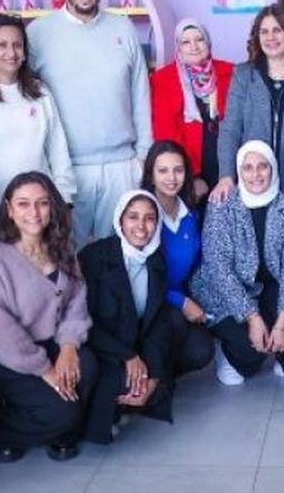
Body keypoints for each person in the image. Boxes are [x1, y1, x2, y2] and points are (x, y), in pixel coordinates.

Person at [28, 0, 151, 249]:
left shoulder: (123, 28)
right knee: (69, 255)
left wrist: (143, 157)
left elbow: (140, 94)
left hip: (121, 165)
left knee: (119, 254)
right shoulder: (38, 33)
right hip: (66, 168)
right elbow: (28, 102)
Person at [0, 172, 97, 461]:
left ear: (52, 207)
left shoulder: (61, 245)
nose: (34, 212)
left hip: (50, 341)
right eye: (23, 203)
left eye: (42, 203)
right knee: (62, 411)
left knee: (87, 367)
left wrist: (68, 347)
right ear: (9, 209)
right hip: (5, 353)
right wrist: (46, 370)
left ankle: (61, 430)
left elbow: (76, 301)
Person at [191, 140, 284, 387]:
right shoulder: (222, 204)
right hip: (224, 290)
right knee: (249, 352)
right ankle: (226, 352)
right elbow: (219, 268)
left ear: (273, 168)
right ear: (239, 171)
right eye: (247, 168)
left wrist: (283, 324)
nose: (256, 174)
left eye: (263, 166)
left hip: (269, 285)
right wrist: (253, 318)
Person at [0, 14, 76, 228]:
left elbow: (58, 149)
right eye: (2, 45)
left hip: (41, 209)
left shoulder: (40, 91)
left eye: (17, 45)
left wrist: (64, 199)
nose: (11, 53)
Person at [210, 4, 284, 215]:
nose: (270, 37)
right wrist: (226, 176)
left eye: (277, 30)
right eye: (264, 31)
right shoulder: (243, 75)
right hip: (251, 186)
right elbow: (230, 129)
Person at [80, 189, 173, 444]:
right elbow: (84, 321)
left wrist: (153, 373)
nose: (141, 227)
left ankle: (130, 398)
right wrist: (127, 356)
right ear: (120, 220)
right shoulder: (94, 257)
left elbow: (157, 322)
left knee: (153, 384)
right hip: (100, 346)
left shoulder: (156, 258)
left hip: (134, 341)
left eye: (149, 218)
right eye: (133, 217)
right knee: (120, 384)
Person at [141, 140, 214, 376]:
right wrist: (181, 302)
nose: (171, 178)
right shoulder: (143, 216)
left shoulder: (190, 213)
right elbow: (142, 275)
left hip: (181, 294)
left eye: (178, 170)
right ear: (151, 175)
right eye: (163, 171)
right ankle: (153, 376)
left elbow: (198, 262)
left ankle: (160, 374)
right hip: (150, 299)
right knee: (175, 321)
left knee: (202, 351)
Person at [150, 19, 234, 203]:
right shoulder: (162, 79)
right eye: (186, 42)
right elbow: (165, 132)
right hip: (190, 172)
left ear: (208, 42)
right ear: (178, 47)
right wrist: (192, 176)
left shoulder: (230, 72)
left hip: (228, 170)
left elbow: (239, 123)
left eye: (199, 39)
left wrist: (231, 173)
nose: (194, 46)